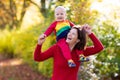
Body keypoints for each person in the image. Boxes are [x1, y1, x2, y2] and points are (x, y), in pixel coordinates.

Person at [34, 24, 104, 80]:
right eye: (69, 32)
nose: (69, 34)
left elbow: (99, 48)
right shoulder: (56, 48)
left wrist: (89, 33)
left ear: (78, 40)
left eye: (73, 34)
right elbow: (38, 58)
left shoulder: (81, 52)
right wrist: (39, 44)